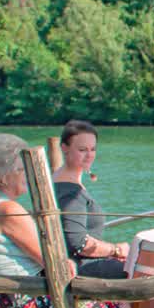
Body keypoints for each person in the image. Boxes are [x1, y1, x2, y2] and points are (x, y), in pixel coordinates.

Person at [0, 133, 119, 308]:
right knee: (119, 306)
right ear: (5, 176)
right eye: (22, 170)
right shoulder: (8, 210)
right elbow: (52, 260)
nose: (27, 176)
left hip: (6, 300)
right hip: (26, 302)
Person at [52, 120, 129, 279]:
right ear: (64, 148)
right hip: (79, 268)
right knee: (150, 273)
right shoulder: (69, 192)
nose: (89, 155)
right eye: (82, 150)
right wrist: (116, 250)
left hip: (86, 262)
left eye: (92, 149)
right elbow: (78, 243)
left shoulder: (61, 180)